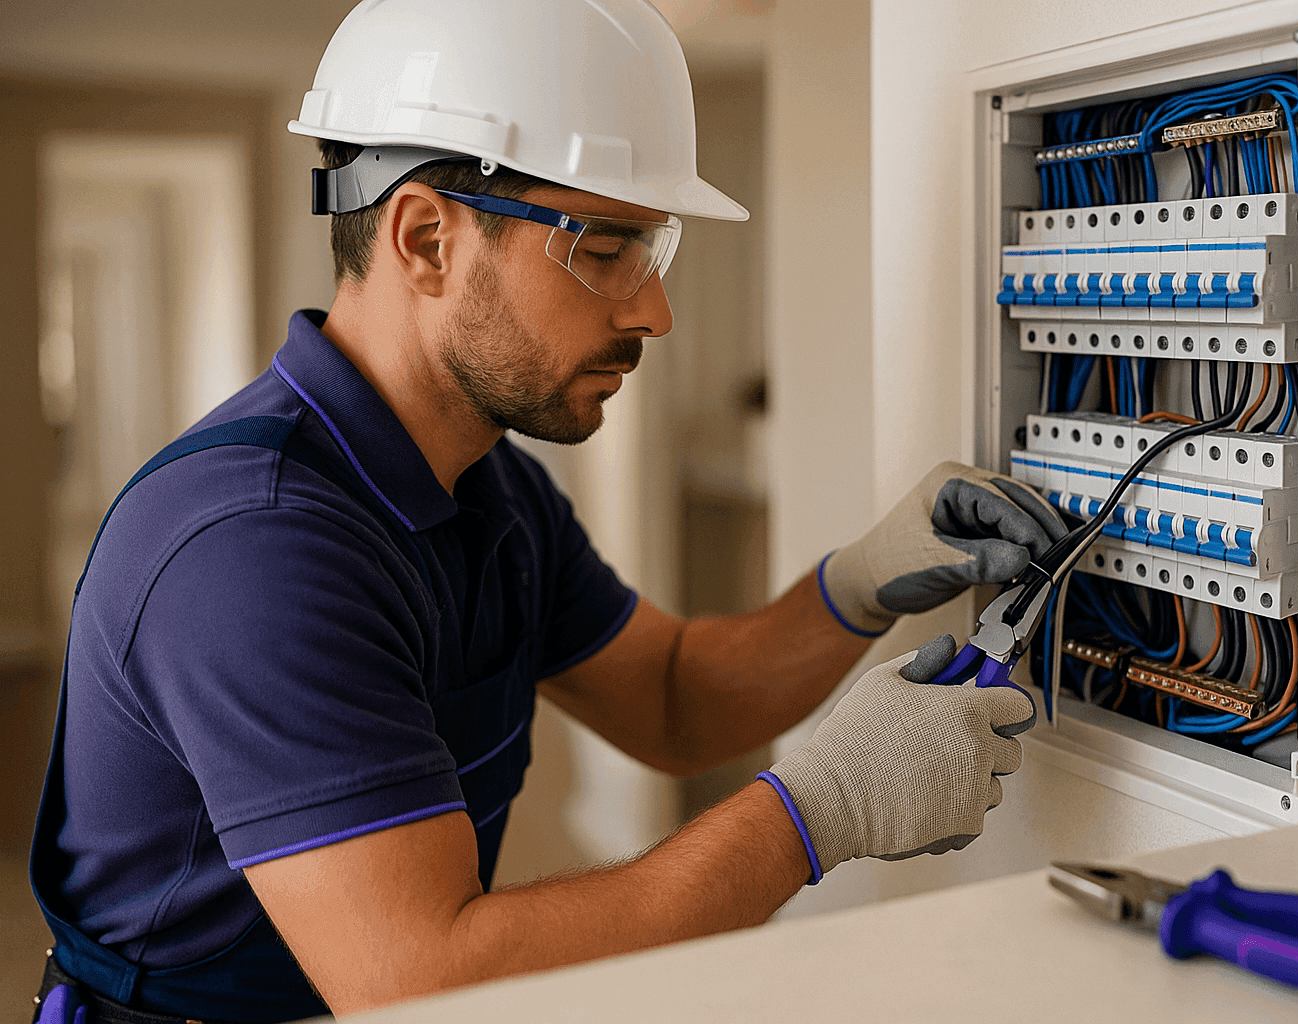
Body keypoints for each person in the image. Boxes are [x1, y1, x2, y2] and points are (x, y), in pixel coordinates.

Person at [29, 2, 1066, 1021]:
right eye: (605, 247)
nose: (654, 312)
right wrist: (818, 812)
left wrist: (860, 580)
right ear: (428, 238)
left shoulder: (487, 482)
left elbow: (670, 697)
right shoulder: (254, 544)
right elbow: (423, 980)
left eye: (651, 253)